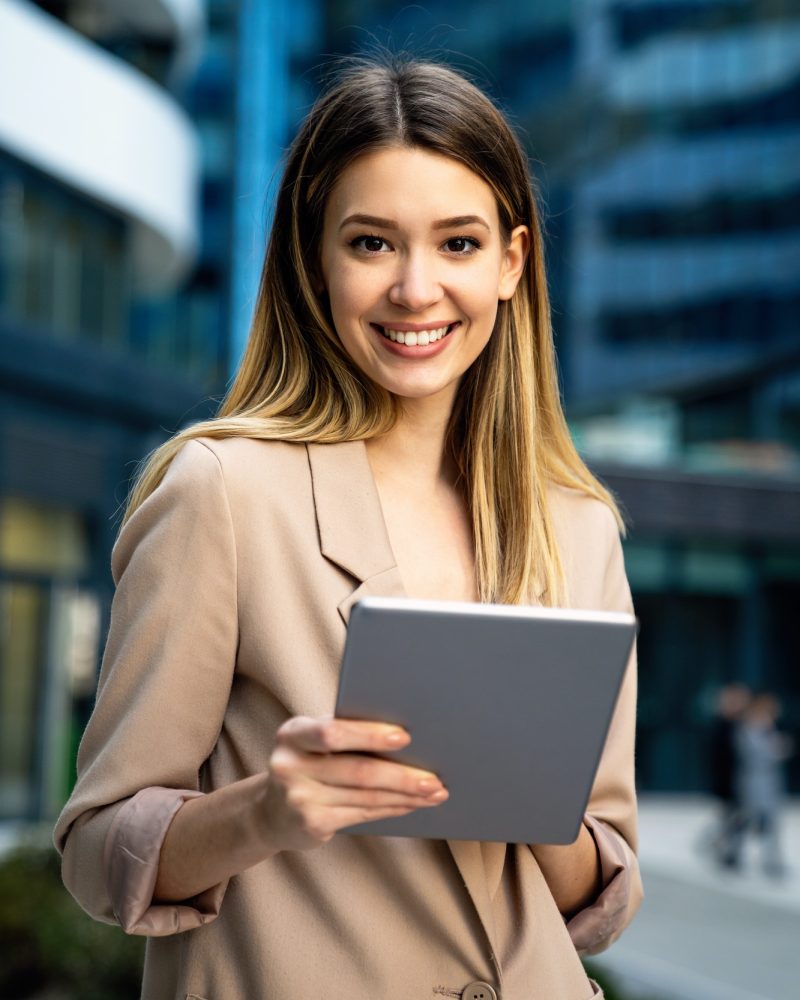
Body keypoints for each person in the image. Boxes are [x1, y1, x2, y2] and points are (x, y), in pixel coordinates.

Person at [54, 56, 643, 1000]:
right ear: (314, 258)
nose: (416, 290)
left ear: (512, 262)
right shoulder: (223, 493)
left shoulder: (577, 527)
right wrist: (265, 813)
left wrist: (535, 795)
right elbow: (94, 849)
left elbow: (605, 887)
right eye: (371, 243)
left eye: (458, 244)